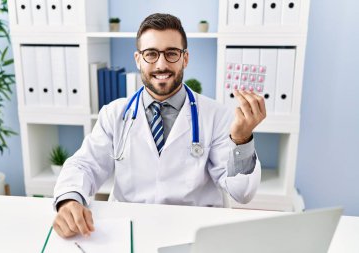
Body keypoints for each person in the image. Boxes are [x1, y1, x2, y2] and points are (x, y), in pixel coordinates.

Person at [53, 13, 266, 238]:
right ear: (138, 59)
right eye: (151, 54)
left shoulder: (217, 115)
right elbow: (85, 165)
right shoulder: (114, 114)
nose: (161, 64)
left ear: (185, 58)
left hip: (193, 231)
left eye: (171, 53)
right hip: (130, 229)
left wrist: (242, 139)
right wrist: (69, 200)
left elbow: (242, 193)